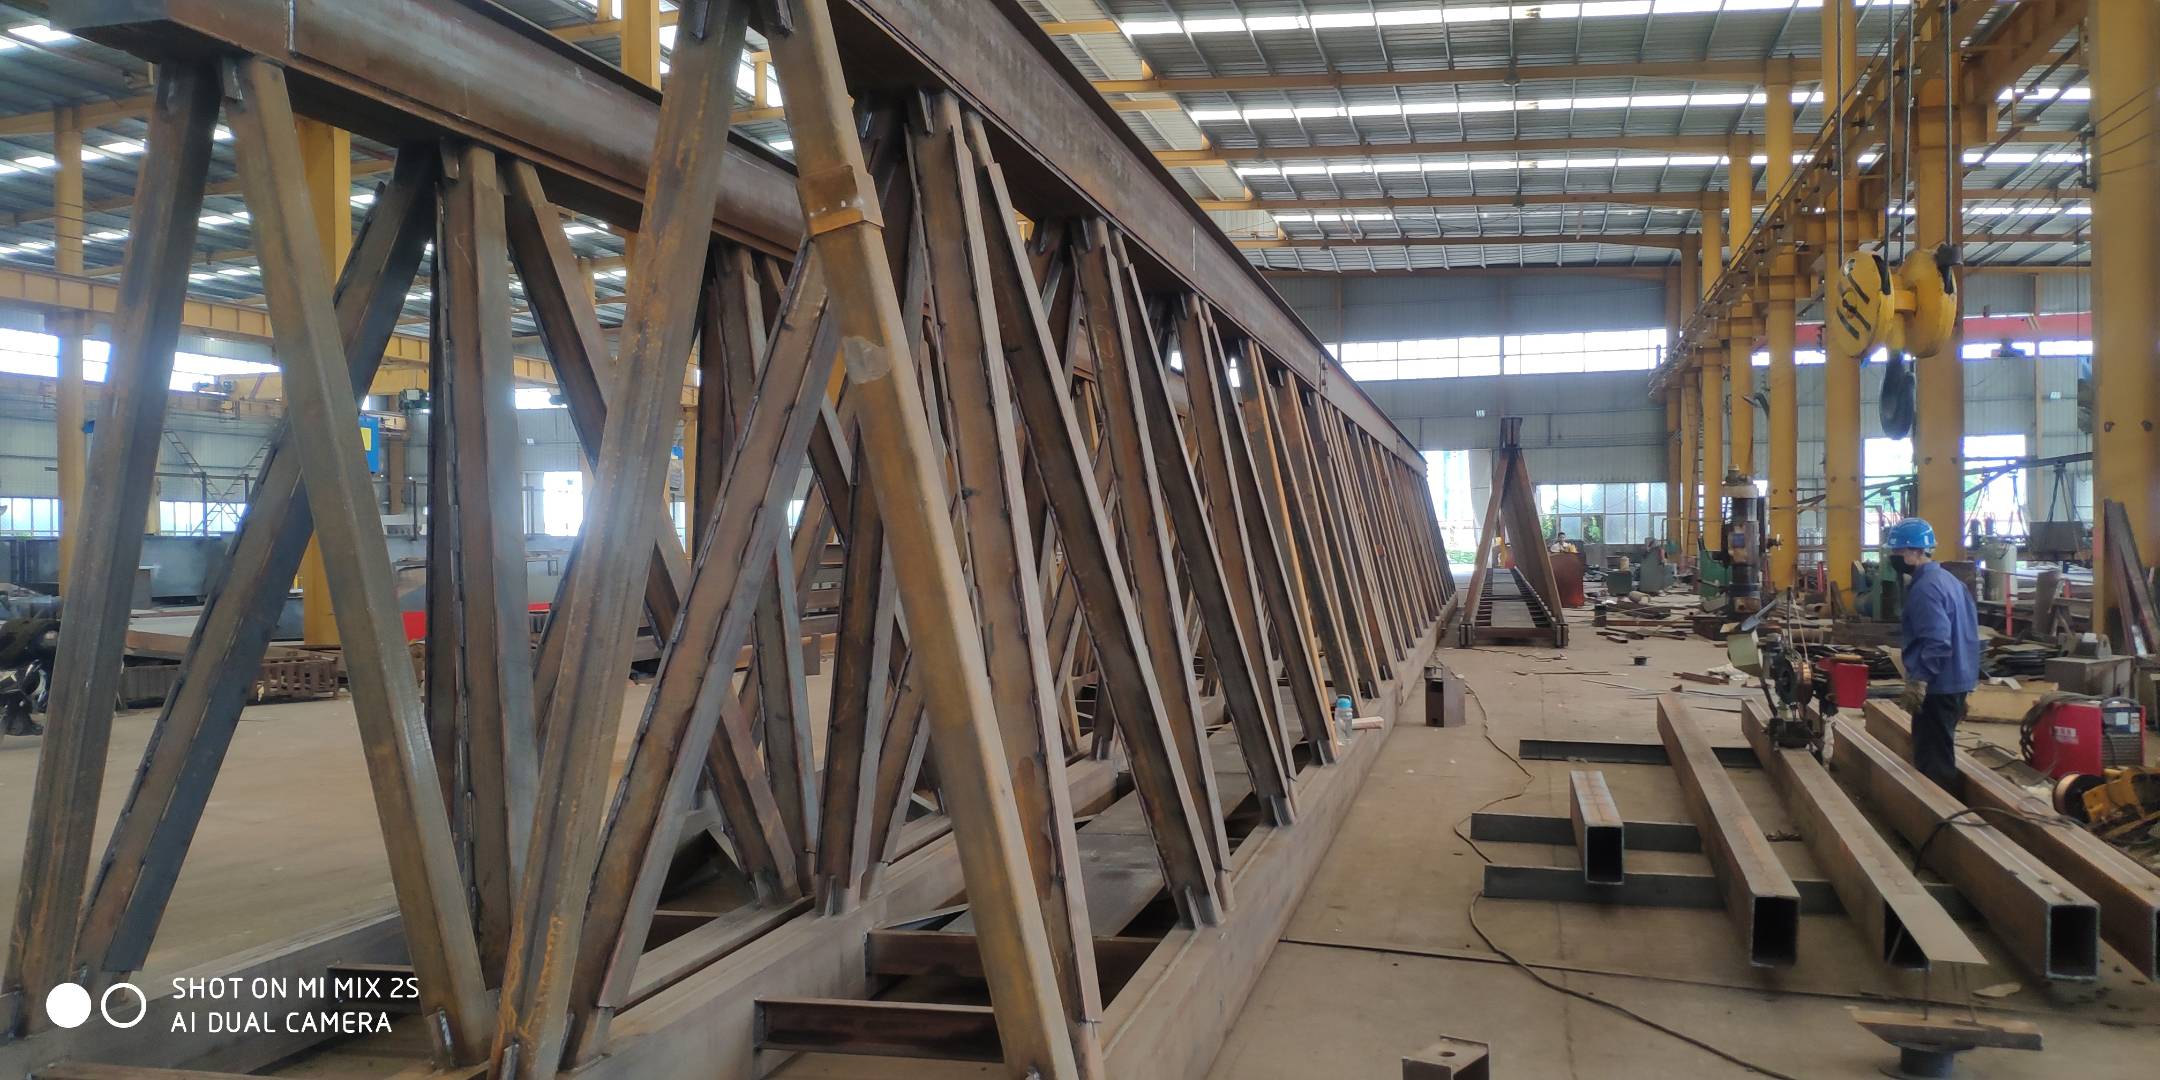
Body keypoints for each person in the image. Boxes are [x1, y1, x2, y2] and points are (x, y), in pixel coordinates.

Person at [1887, 518, 1979, 787]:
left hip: (1938, 684)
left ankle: (1941, 809)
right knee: (1941, 746)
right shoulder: (1950, 581)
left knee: (1933, 760)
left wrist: (1919, 680)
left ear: (1916, 552)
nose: (1894, 558)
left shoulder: (1925, 589)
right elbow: (1969, 632)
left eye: (1898, 552)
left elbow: (1937, 641)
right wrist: (1963, 683)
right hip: (1955, 679)